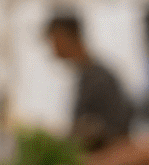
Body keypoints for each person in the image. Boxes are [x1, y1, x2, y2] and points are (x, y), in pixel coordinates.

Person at [45, 8, 133, 151]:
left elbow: (119, 127)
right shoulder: (86, 76)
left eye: (54, 41)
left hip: (107, 163)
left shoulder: (100, 77)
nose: (53, 50)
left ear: (66, 37)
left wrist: (88, 131)